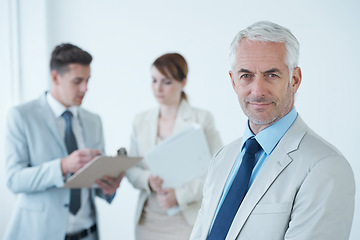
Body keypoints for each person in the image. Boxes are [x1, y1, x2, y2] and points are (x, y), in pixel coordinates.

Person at [190, 21, 356, 240]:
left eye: (271, 75)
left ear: (294, 80)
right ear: (233, 81)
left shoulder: (325, 167)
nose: (257, 91)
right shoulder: (223, 159)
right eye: (246, 76)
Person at [4, 43, 123, 240]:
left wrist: (108, 188)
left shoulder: (93, 120)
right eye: (77, 81)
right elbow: (14, 180)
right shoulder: (21, 116)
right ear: (55, 77)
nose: (85, 88)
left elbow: (93, 182)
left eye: (87, 80)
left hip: (88, 233)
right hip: (41, 234)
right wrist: (63, 166)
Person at [126, 53, 223, 239]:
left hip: (185, 219)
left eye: (166, 82)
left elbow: (218, 172)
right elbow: (132, 169)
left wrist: (179, 196)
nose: (158, 88)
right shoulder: (140, 121)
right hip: (148, 220)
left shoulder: (202, 120)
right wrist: (148, 179)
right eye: (154, 80)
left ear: (183, 82)